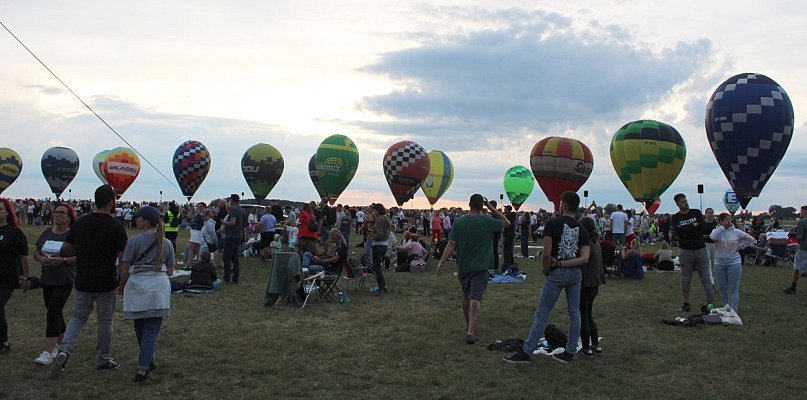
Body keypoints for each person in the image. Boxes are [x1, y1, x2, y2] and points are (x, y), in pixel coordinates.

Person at [51, 185, 128, 378]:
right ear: (112, 202)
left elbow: (66, 249)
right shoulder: (116, 226)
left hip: (83, 278)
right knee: (104, 321)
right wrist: (123, 281)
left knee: (77, 317)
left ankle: (64, 351)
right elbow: (122, 256)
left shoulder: (82, 222)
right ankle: (102, 358)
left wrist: (84, 250)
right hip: (106, 280)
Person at [505, 191, 589, 364]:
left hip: (557, 273)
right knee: (575, 313)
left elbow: (547, 254)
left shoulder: (552, 224)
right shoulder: (582, 229)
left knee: (542, 313)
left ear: (564, 205)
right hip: (575, 274)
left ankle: (526, 352)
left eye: (560, 203)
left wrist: (550, 268)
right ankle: (570, 352)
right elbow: (585, 258)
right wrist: (567, 264)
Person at [437, 194, 509, 345]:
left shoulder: (459, 222)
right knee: (475, 298)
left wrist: (441, 262)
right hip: (481, 267)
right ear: (482, 206)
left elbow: (451, 244)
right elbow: (507, 222)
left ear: (468, 204)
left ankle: (468, 325)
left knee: (466, 296)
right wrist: (491, 208)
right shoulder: (486, 221)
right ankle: (471, 330)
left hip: (464, 266)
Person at [119, 205, 175, 382]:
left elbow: (124, 268)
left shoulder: (133, 242)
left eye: (138, 217)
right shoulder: (166, 243)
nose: (136, 219)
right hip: (157, 287)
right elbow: (171, 271)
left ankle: (142, 368)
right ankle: (146, 363)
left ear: (145, 220)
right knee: (150, 331)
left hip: (137, 285)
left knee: (140, 328)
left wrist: (121, 285)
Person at [33, 202, 77, 365]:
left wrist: (63, 260)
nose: (57, 215)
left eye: (62, 213)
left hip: (64, 280)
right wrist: (40, 259)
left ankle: (48, 352)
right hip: (47, 278)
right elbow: (36, 251)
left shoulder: (72, 236)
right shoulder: (46, 233)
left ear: (69, 217)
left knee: (52, 313)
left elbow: (79, 257)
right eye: (56, 212)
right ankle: (62, 346)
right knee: (56, 313)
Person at [671, 193, 714, 312]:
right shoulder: (675, 218)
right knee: (685, 279)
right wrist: (692, 226)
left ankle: (710, 303)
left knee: (705, 278)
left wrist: (687, 230)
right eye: (683, 202)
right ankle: (686, 303)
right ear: (678, 204)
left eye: (686, 201)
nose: (686, 203)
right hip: (685, 251)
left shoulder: (696, 213)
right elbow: (678, 233)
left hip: (701, 249)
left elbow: (701, 228)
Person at [0, 197, 30, 355]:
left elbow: (23, 256)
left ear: (7, 212)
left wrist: (25, 277)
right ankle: (3, 341)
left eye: (0, 209)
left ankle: (3, 341)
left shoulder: (14, 231)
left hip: (7, 276)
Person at [709, 213, 754, 310]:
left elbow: (750, 239)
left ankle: (734, 310)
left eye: (730, 219)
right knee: (723, 289)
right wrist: (721, 228)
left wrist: (740, 246)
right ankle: (726, 308)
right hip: (719, 263)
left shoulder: (736, 232)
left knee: (733, 289)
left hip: (734, 263)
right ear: (720, 221)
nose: (728, 222)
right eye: (726, 220)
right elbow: (713, 237)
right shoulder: (716, 231)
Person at [578, 217, 605, 357]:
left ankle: (586, 346)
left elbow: (583, 261)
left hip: (586, 283)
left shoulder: (586, 244)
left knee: (583, 315)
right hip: (595, 284)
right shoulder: (596, 243)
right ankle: (595, 343)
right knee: (588, 315)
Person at [222, 195, 245, 283]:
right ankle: (236, 277)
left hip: (231, 236)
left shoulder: (234, 209)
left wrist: (225, 223)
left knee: (227, 257)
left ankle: (227, 277)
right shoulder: (241, 209)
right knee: (235, 257)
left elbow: (232, 222)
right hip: (238, 235)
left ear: (232, 200)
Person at [784, 205, 807, 294]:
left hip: (804, 247)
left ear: (805, 211)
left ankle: (793, 288)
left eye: (801, 210)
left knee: (796, 267)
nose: (800, 212)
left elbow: (800, 236)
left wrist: (793, 235)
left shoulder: (802, 222)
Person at [369, 204, 392, 293]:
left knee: (376, 267)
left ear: (378, 211)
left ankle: (381, 286)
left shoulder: (379, 221)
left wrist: (371, 235)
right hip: (384, 244)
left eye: (374, 211)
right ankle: (382, 286)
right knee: (378, 267)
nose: (373, 213)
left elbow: (379, 234)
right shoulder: (386, 219)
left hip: (378, 245)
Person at [702, 208, 718, 285]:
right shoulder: (702, 224)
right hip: (705, 244)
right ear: (705, 214)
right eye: (708, 212)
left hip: (714, 245)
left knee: (714, 262)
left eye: (712, 212)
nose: (710, 214)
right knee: (707, 262)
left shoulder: (716, 224)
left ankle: (713, 280)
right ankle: (709, 279)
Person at [502, 205, 516, 272]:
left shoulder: (508, 216)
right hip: (511, 234)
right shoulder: (511, 216)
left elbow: (504, 223)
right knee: (509, 248)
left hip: (508, 234)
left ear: (507, 209)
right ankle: (511, 261)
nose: (504, 209)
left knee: (506, 248)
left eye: (505, 208)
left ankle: (507, 261)